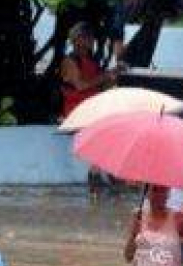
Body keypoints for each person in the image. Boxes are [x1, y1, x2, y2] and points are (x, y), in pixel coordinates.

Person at [61, 22, 116, 197]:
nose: (92, 41)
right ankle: (98, 174)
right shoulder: (69, 61)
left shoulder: (92, 61)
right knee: (100, 129)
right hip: (76, 109)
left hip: (92, 107)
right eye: (88, 38)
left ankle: (98, 174)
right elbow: (80, 86)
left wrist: (111, 77)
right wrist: (104, 77)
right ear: (77, 40)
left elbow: (100, 84)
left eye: (91, 38)